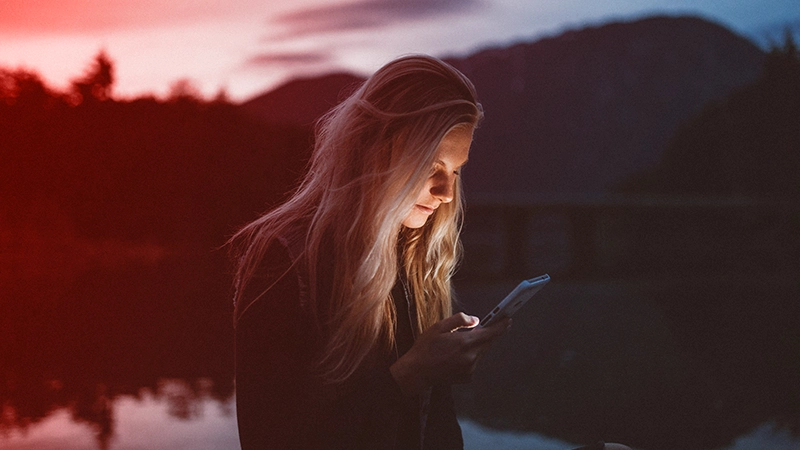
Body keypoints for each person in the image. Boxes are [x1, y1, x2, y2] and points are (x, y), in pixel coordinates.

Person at [230, 54, 510, 449]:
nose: (446, 194)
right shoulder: (284, 262)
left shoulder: (414, 259)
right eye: (431, 166)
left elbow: (439, 435)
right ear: (376, 149)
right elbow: (268, 440)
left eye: (456, 170)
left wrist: (432, 372)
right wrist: (411, 375)